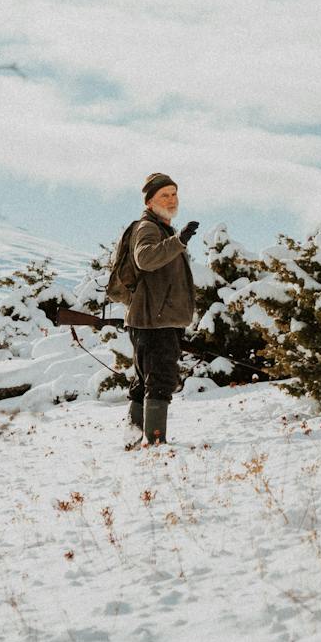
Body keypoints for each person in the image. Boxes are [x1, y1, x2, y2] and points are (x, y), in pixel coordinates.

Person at [121, 172, 198, 448]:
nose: (172, 199)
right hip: (154, 320)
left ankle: (134, 439)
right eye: (165, 194)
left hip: (156, 319)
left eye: (174, 193)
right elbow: (145, 259)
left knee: (146, 379)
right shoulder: (148, 228)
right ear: (150, 201)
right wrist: (179, 241)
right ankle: (154, 442)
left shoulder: (162, 229)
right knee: (160, 378)